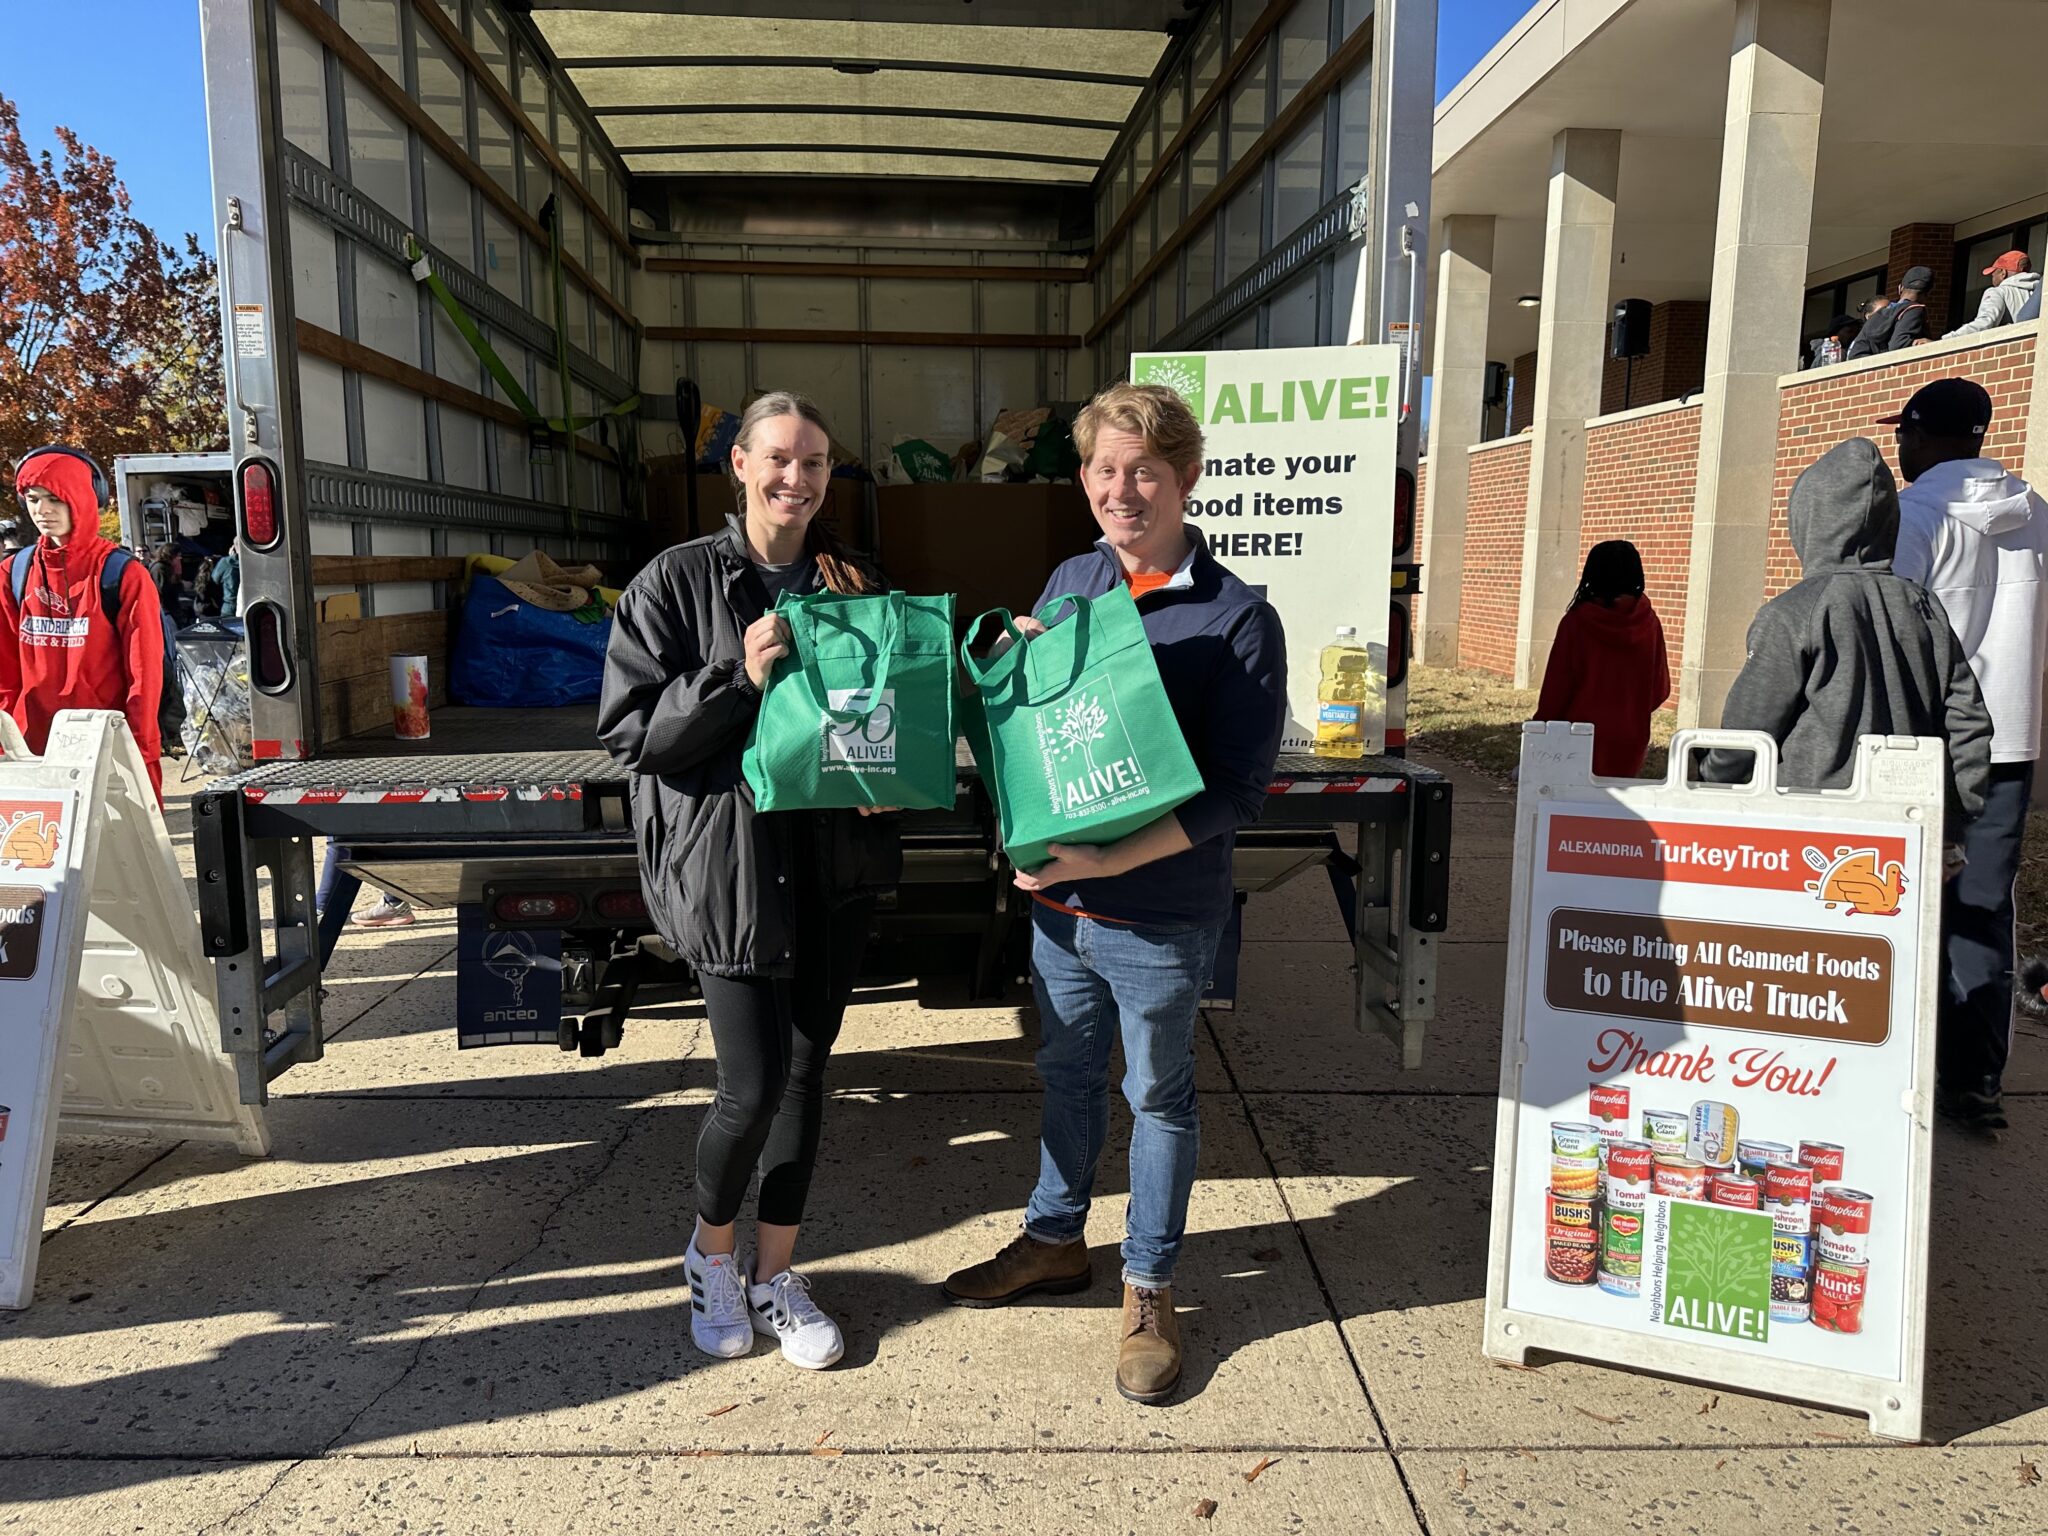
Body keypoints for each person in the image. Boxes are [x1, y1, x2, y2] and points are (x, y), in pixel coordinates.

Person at [941, 382, 1288, 1406]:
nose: (1119, 488)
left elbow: (1237, 791)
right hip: (1061, 910)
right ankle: (1053, 1240)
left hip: (1160, 914)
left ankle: (1147, 1283)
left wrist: (1103, 864)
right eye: (1102, 468)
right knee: (1062, 1073)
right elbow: (1053, 736)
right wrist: (1015, 660)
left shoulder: (1237, 619)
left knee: (1159, 1097)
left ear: (1184, 477)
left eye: (1142, 469)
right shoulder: (1074, 575)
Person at [598, 390, 899, 1372]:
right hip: (729, 870)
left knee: (807, 1078)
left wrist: (885, 782)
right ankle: (710, 1256)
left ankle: (776, 1277)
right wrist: (736, 673)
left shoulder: (854, 580)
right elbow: (632, 737)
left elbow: (886, 714)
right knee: (751, 1085)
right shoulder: (672, 585)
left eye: (814, 462)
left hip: (831, 868)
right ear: (737, 465)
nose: (796, 478)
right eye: (778, 458)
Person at [1707, 434, 1990, 874]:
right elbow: (1967, 719)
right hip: (1905, 827)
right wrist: (1955, 819)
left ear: (1808, 518)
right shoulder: (1925, 607)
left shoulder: (1792, 613)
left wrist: (1708, 789)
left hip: (1803, 832)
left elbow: (1748, 729)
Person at [1885, 378, 2048, 1133]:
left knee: (1895, 898)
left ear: (1924, 434)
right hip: (2010, 744)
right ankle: (1976, 1078)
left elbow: (1894, 634)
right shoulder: (2037, 516)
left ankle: (1892, 1067)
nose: (1899, 447)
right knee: (1983, 908)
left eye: (1904, 434)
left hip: (1924, 742)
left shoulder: (1915, 515)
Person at [0, 447, 168, 802]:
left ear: (83, 497)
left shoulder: (122, 574)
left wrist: (140, 754)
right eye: (32, 499)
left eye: (55, 498)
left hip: (105, 752)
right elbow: (5, 676)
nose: (42, 511)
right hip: (35, 757)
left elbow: (145, 675)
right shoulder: (13, 573)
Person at [1532, 540, 1670, 778]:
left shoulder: (1576, 623)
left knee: (1573, 808)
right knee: (1614, 811)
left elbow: (1557, 688)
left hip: (1577, 735)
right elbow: (1660, 689)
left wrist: (1540, 731)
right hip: (1630, 735)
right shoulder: (1649, 622)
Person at [1947, 251, 2041, 338]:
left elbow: (1985, 322)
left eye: (1994, 272)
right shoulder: (2039, 292)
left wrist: (1949, 338)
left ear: (2003, 273)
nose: (1992, 276)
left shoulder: (1997, 292)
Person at [1847, 267, 1933, 357]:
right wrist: (1929, 345)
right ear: (1927, 294)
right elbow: (1899, 345)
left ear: (1900, 288)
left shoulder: (1877, 315)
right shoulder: (1914, 310)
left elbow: (1855, 354)